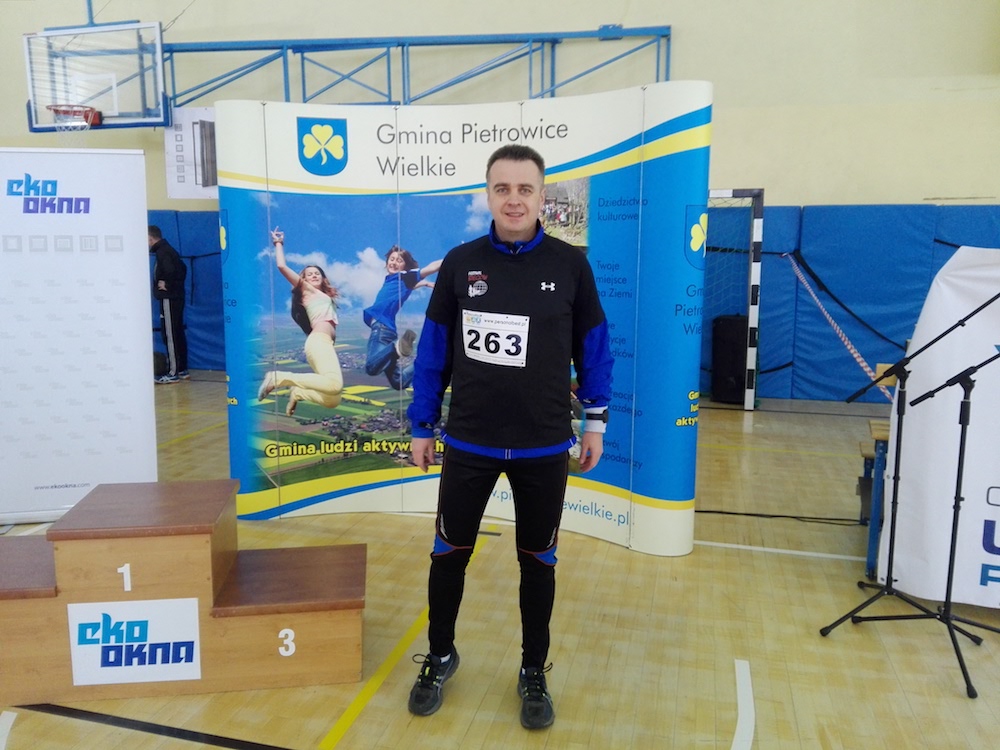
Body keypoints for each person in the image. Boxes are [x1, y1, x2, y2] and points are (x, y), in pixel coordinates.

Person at [405, 144, 614, 729]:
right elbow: (433, 353)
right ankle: (440, 655)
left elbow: (594, 349)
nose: (514, 200)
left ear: (542, 196)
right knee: (448, 555)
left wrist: (595, 422)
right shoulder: (459, 263)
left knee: (538, 563)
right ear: (488, 195)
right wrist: (422, 424)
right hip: (469, 443)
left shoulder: (570, 266)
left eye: (525, 189)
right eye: (503, 189)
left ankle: (532, 669)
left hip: (543, 447)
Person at [257, 229, 344, 416]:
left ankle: (298, 393)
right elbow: (282, 266)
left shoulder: (323, 296)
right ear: (303, 280)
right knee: (335, 385)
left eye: (317, 273)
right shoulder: (307, 291)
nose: (313, 275)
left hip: (324, 344)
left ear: (323, 278)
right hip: (318, 341)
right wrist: (278, 243)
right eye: (309, 274)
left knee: (333, 399)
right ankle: (278, 377)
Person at [363, 246, 441, 390]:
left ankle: (396, 347)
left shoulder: (405, 276)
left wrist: (453, 258)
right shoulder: (396, 280)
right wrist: (423, 284)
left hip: (381, 328)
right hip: (388, 330)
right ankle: (426, 361)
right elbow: (408, 287)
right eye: (391, 259)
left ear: (405, 265)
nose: (393, 263)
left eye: (399, 261)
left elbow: (431, 268)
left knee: (371, 368)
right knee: (399, 382)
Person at [148, 225, 188, 384]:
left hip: (169, 299)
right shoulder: (167, 249)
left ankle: (173, 372)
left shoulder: (163, 251)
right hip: (175, 298)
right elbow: (183, 268)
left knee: (170, 334)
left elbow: (173, 271)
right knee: (177, 333)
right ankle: (182, 369)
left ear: (150, 238)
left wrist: (168, 286)